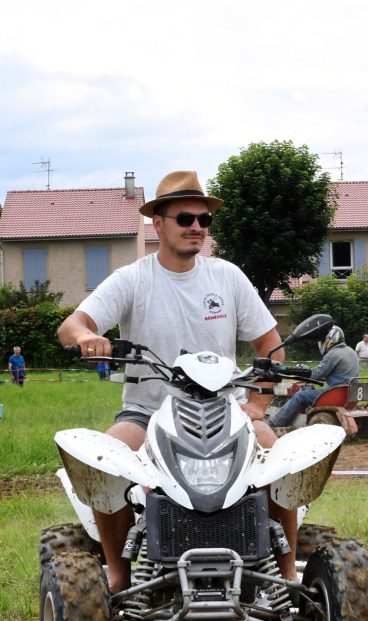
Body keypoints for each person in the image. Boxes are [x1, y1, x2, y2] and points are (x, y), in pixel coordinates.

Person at [57, 170, 297, 593]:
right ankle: (119, 575)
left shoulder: (227, 277)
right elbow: (72, 324)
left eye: (204, 220)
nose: (197, 228)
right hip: (147, 410)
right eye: (185, 218)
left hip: (224, 409)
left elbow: (270, 344)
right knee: (105, 459)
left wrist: (258, 405)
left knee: (279, 458)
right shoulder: (133, 279)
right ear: (158, 223)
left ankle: (287, 575)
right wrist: (88, 337)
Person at [268, 325, 359, 427]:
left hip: (337, 395)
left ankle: (274, 423)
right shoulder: (351, 351)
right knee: (310, 390)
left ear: (329, 338)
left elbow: (315, 375)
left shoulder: (333, 354)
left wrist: (303, 369)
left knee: (300, 395)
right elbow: (332, 373)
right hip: (349, 394)